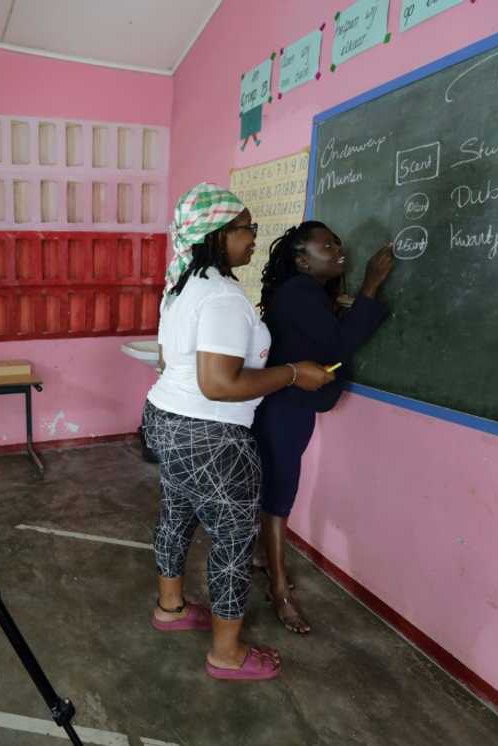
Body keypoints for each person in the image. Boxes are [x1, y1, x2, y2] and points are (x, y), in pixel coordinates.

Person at [141, 183, 334, 681]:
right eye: (247, 228)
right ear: (219, 233)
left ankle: (171, 608)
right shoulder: (223, 298)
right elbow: (219, 384)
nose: (254, 237)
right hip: (213, 436)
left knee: (177, 515)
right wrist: (294, 373)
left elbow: (169, 362)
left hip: (166, 421)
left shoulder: (182, 286)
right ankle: (226, 654)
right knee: (231, 542)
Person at [252, 221, 394, 634]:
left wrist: (348, 301)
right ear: (301, 260)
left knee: (275, 491)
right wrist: (370, 285)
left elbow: (323, 333)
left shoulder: (304, 293)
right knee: (279, 499)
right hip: (285, 409)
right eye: (327, 247)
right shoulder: (299, 292)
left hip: (287, 406)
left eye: (337, 244)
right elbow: (338, 343)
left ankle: (262, 556)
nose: (339, 252)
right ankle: (279, 591)